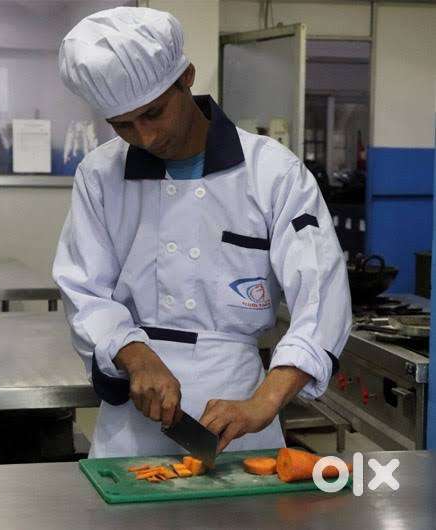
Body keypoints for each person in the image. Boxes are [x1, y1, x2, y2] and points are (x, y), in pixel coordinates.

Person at [53, 6, 351, 458]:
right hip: (133, 421)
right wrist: (134, 354)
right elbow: (84, 290)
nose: (145, 137)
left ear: (186, 78)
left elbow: (322, 297)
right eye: (123, 125)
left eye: (153, 113)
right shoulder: (99, 175)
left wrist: (264, 402)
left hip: (241, 410)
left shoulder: (272, 173)